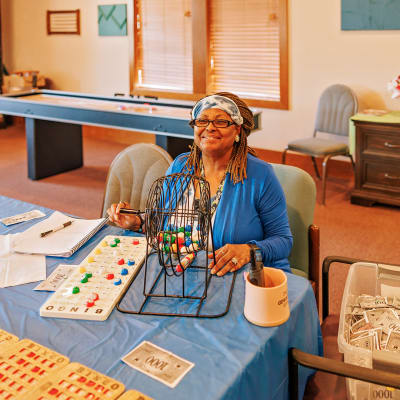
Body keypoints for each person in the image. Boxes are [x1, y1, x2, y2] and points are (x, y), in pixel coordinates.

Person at [108, 92, 293, 276]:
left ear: (237, 130)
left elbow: (283, 241)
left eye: (221, 121)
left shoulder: (260, 175)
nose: (210, 128)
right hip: (179, 275)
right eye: (202, 120)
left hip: (236, 277)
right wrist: (137, 222)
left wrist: (248, 250)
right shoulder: (181, 166)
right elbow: (161, 222)